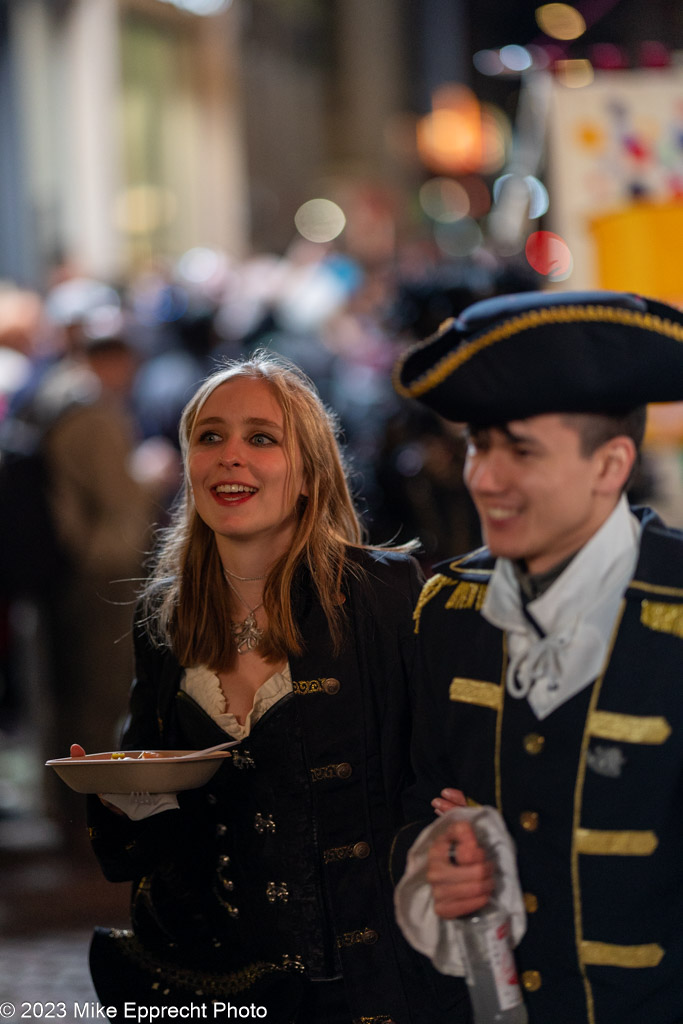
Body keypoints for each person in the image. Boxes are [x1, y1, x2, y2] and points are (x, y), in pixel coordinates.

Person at [75, 353, 472, 1023]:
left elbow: (437, 776)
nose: (231, 456)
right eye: (210, 436)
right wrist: (117, 803)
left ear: (311, 474)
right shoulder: (162, 618)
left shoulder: (384, 595)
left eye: (261, 437)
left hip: (367, 990)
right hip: (207, 988)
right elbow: (144, 843)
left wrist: (459, 814)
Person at [390, 289, 683, 1024]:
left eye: (519, 450)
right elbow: (408, 802)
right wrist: (430, 861)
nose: (484, 478)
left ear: (610, 464)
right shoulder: (447, 610)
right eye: (478, 446)